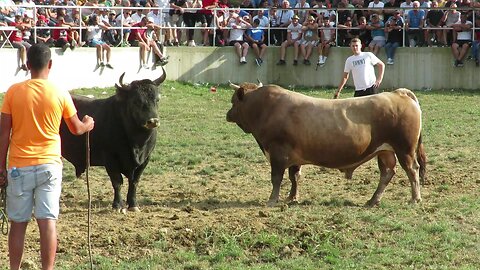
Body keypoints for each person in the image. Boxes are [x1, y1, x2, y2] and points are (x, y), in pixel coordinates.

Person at [0, 43, 95, 270]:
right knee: (47, 223)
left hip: (19, 166)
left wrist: (0, 167)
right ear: (50, 65)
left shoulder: (13, 91)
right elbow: (75, 128)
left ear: (26, 65)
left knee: (18, 224)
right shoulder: (60, 92)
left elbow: (4, 132)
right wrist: (88, 124)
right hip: (50, 165)